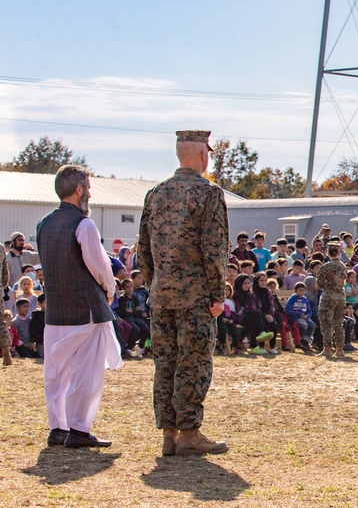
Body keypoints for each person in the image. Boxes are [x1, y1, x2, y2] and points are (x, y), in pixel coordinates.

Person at [137, 130, 228, 455]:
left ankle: (169, 435)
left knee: (166, 364)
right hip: (195, 298)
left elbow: (142, 252)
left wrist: (156, 284)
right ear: (204, 155)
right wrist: (218, 294)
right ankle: (190, 434)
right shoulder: (208, 194)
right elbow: (214, 249)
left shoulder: (155, 194)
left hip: (161, 297)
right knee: (193, 363)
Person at [36, 164, 121, 448]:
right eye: (89, 188)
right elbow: (99, 266)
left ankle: (58, 427)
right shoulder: (84, 224)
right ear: (79, 189)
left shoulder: (44, 223)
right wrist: (110, 289)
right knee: (86, 372)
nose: (90, 195)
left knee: (56, 371)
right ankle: (79, 429)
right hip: (85, 309)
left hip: (56, 309)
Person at [316, 241, 349, 359]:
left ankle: (327, 349)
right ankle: (340, 349)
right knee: (338, 323)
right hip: (340, 296)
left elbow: (319, 283)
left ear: (327, 252)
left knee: (326, 322)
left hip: (328, 296)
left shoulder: (326, 266)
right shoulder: (343, 266)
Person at [285, 283, 316, 351]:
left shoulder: (305, 299)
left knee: (313, 325)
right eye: (300, 290)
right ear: (295, 291)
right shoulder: (292, 298)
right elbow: (288, 309)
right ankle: (301, 339)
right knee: (304, 325)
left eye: (303, 290)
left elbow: (309, 310)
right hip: (296, 317)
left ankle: (304, 341)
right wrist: (298, 314)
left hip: (304, 316)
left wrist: (307, 315)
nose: (301, 292)